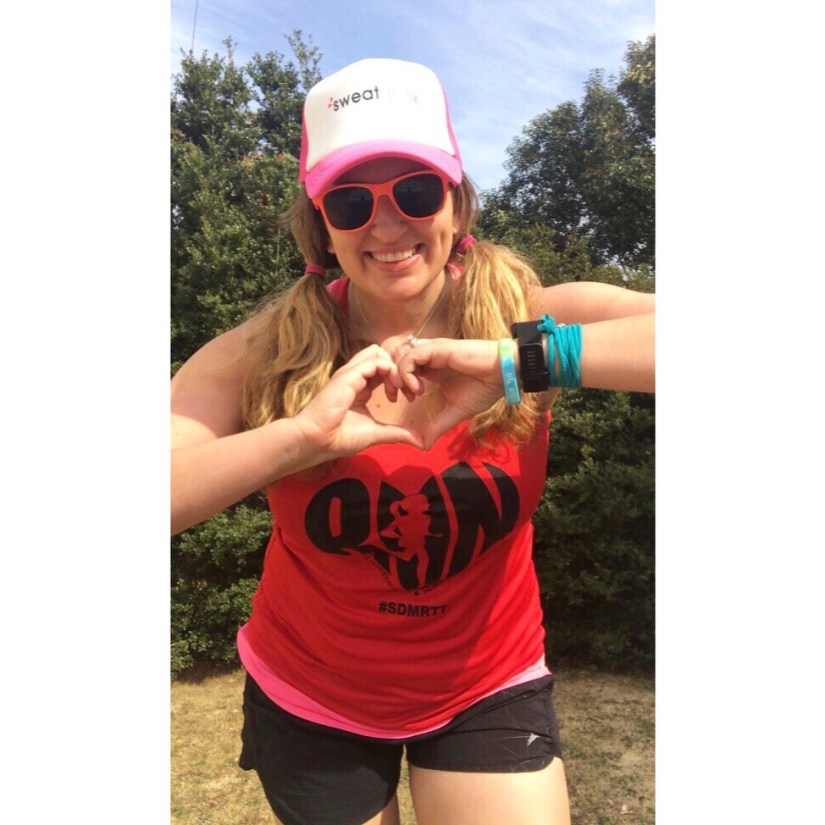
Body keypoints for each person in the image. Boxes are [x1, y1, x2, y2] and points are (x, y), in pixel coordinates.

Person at [171, 57, 654, 825]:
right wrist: (297, 439)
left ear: (456, 204)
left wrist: (520, 360)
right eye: (351, 201)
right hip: (309, 690)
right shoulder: (263, 351)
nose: (388, 224)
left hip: (487, 683)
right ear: (321, 226)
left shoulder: (523, 316)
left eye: (416, 191)